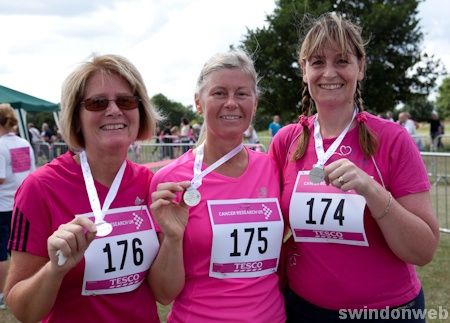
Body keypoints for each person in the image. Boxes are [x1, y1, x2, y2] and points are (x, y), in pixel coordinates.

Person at [269, 13, 439, 322]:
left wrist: (372, 192)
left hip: (387, 312)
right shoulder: (286, 142)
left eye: (342, 61)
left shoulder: (391, 140)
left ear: (360, 68)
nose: (329, 72)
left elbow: (423, 250)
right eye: (318, 62)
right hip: (304, 309)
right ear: (304, 70)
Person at [4, 54, 162, 322]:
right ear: (76, 117)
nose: (113, 110)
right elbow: (23, 311)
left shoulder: (149, 182)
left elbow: (164, 292)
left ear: (140, 110)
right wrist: (55, 269)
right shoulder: (40, 187)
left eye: (125, 100)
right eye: (97, 102)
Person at [149, 49, 286, 322]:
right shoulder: (171, 180)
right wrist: (173, 240)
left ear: (255, 103)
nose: (231, 103)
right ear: (198, 103)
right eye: (219, 93)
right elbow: (164, 294)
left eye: (242, 94)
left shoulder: (272, 168)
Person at [0, 104, 35, 310]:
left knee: (1, 254)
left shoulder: (0, 145)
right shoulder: (24, 143)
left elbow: (1, 179)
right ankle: (26, 289)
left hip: (3, 206)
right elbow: (31, 173)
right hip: (22, 204)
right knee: (23, 251)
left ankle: (3, 295)